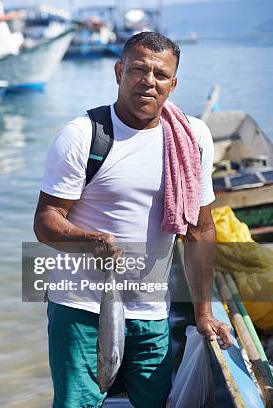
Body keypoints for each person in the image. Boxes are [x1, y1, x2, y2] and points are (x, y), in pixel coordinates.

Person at [32, 32, 233, 408]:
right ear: (119, 71)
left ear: (173, 84)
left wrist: (203, 313)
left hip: (152, 310)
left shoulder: (193, 138)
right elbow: (46, 221)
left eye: (160, 74)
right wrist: (89, 242)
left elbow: (201, 230)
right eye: (138, 70)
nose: (148, 81)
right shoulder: (82, 135)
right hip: (81, 307)